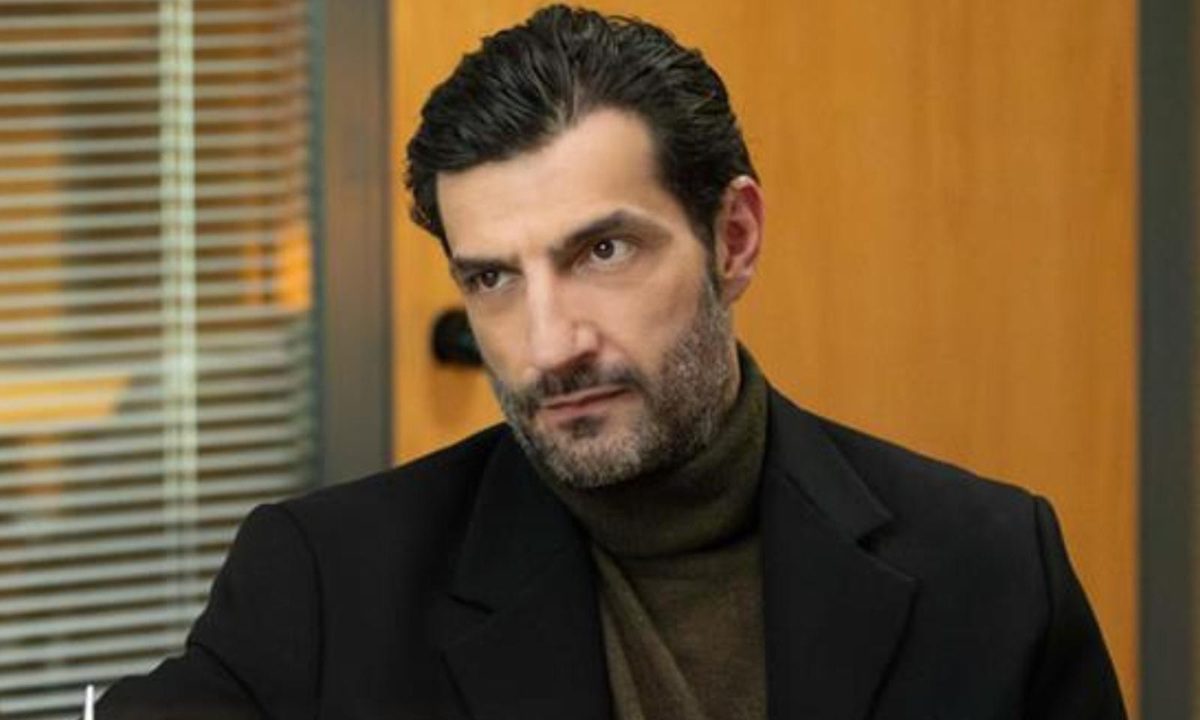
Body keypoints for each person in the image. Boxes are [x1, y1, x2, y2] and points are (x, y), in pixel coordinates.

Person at [98, 5, 1126, 719]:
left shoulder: (992, 566)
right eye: (493, 278)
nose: (550, 346)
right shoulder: (326, 581)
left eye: (602, 252)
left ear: (733, 239)